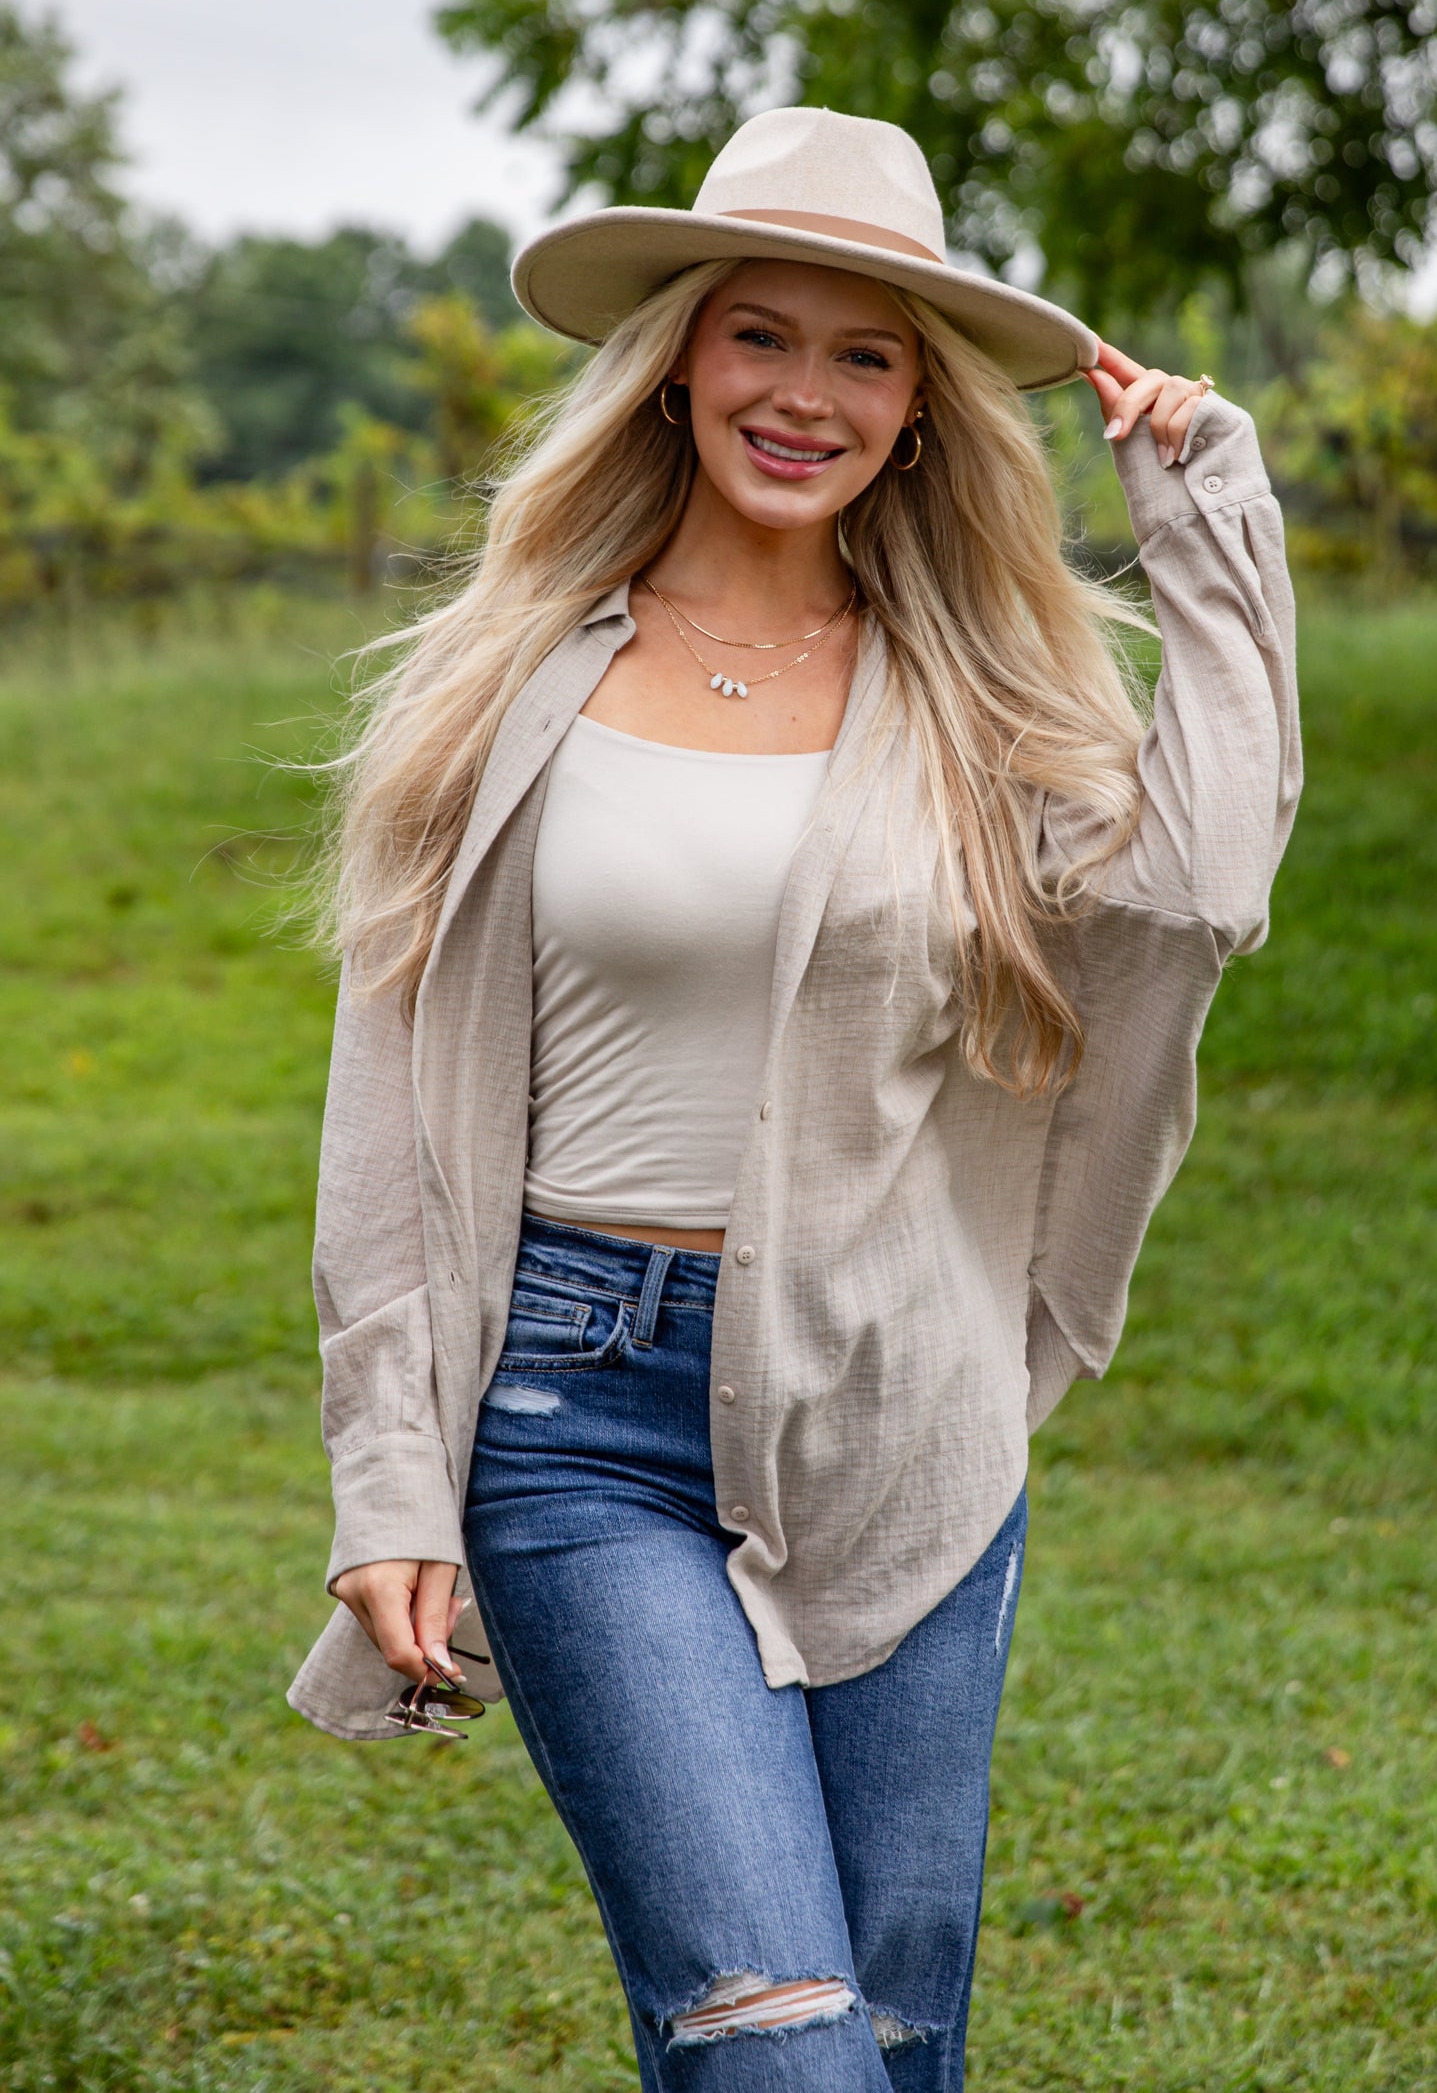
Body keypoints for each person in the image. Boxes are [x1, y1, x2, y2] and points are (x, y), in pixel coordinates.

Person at [289, 106, 1300, 2088]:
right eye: (761, 333)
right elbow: (389, 1090)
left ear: (921, 411)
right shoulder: (506, 682)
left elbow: (1197, 894)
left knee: (898, 2044)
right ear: (677, 356)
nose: (803, 393)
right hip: (578, 1419)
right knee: (780, 2045)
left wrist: (1207, 534)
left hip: (900, 1397)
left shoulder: (981, 701)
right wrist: (389, 1470)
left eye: (866, 355)